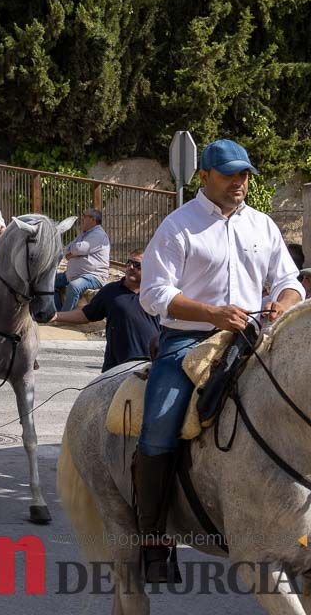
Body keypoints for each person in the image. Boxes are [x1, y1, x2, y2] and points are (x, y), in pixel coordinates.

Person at [135, 139, 303, 582]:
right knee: (157, 426)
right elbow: (154, 294)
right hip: (186, 343)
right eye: (229, 174)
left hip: (254, 339)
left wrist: (284, 303)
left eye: (244, 173)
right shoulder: (177, 226)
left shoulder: (262, 225)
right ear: (204, 176)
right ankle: (152, 541)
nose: (239, 182)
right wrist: (211, 313)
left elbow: (289, 280)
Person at [54, 250, 158, 372]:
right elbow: (85, 315)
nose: (130, 267)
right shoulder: (111, 291)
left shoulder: (156, 294)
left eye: (137, 265)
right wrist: (55, 315)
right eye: (129, 262)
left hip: (151, 366)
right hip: (116, 367)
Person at [54, 208, 110, 311]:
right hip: (74, 275)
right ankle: (56, 311)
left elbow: (79, 248)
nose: (82, 219)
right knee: (52, 282)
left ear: (93, 220)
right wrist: (75, 253)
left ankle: (65, 316)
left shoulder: (98, 234)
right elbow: (67, 248)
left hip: (93, 276)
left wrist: (75, 253)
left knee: (74, 287)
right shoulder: (84, 234)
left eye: (84, 216)